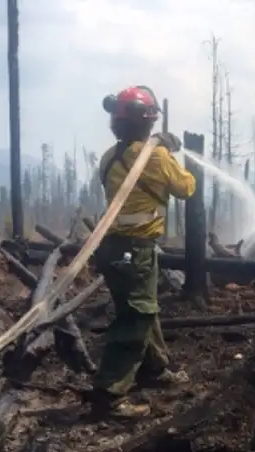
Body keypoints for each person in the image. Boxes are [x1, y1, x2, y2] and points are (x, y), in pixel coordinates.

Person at [89, 85, 196, 418]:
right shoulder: (155, 157)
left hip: (111, 249)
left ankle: (155, 369)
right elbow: (185, 188)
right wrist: (171, 156)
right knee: (136, 316)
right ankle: (110, 394)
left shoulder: (110, 156)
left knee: (141, 309)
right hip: (136, 250)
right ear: (148, 122)